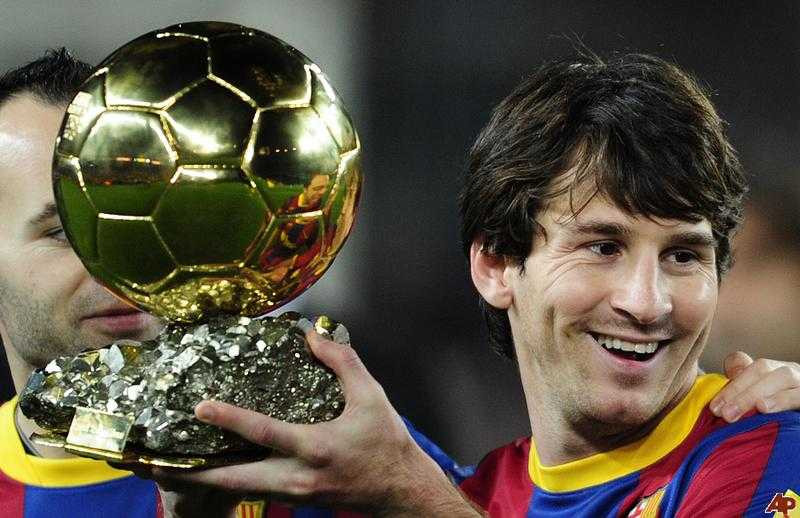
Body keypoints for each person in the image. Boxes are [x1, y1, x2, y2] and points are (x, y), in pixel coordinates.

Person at [0, 49, 797, 518]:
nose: (645, 301)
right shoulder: (474, 489)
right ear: (494, 265)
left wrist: (410, 495)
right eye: (601, 247)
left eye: (683, 256)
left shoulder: (766, 448)